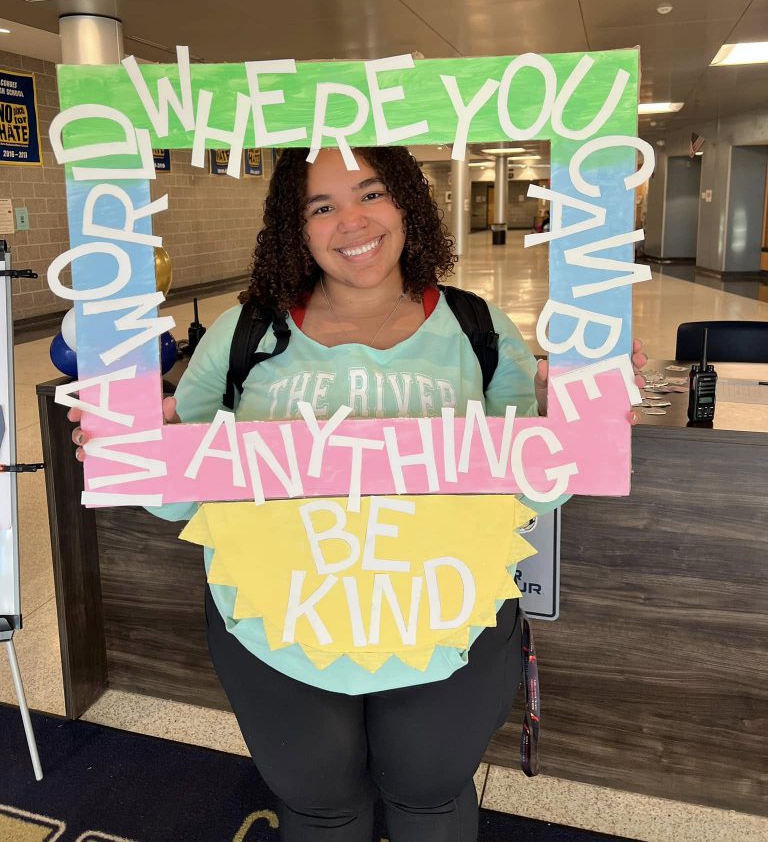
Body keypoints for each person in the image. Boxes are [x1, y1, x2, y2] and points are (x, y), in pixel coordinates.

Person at [69, 145, 647, 842]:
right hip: (276, 624)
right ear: (296, 226)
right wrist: (142, 449)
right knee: (320, 804)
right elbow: (180, 502)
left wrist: (568, 427)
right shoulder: (245, 333)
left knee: (430, 793)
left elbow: (533, 495)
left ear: (407, 201)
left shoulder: (479, 329)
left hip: (448, 616)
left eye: (371, 193)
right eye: (321, 205)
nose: (352, 221)